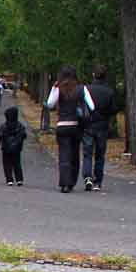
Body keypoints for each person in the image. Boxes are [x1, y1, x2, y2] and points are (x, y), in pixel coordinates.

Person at [44, 65, 95, 193]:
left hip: (62, 125)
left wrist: (54, 89)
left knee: (63, 155)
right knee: (74, 155)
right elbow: (92, 106)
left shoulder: (58, 87)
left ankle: (64, 183)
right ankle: (72, 181)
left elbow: (50, 104)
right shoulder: (81, 88)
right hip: (76, 126)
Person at [80, 65, 116, 192]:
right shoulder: (109, 91)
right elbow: (113, 110)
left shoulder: (87, 90)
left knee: (87, 153)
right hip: (102, 126)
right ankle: (98, 181)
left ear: (93, 74)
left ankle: (87, 176)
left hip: (88, 125)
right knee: (100, 155)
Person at [0, 105, 27, 186]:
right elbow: (24, 135)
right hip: (17, 148)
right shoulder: (20, 126)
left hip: (6, 148)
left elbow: (0, 135)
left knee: (7, 164)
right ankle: (19, 179)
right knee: (17, 163)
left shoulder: (4, 126)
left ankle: (9, 179)